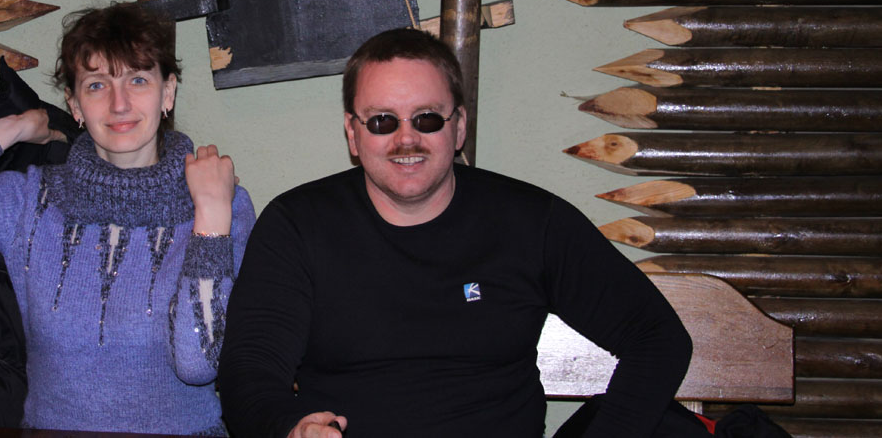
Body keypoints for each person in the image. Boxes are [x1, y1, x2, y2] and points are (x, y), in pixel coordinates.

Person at [218, 28, 692, 438]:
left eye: (427, 118)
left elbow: (658, 338)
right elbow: (248, 372)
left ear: (459, 126)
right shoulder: (297, 226)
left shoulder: (530, 221)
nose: (406, 139)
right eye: (383, 121)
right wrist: (290, 427)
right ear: (353, 133)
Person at [0, 2, 256, 435]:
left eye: (137, 80)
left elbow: (198, 364)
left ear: (167, 93)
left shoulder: (223, 204)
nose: (119, 104)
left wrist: (210, 214)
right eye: (96, 85)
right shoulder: (30, 201)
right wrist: (15, 127)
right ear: (74, 105)